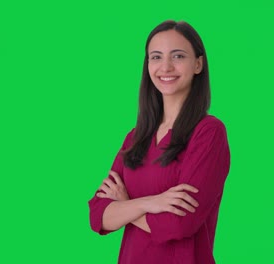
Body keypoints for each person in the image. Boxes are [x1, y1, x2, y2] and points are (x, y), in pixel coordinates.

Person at [88, 20, 230, 264]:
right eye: (155, 57)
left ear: (198, 63)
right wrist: (150, 203)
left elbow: (180, 224)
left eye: (178, 56)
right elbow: (98, 215)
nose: (165, 67)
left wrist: (125, 207)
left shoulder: (208, 133)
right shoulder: (135, 138)